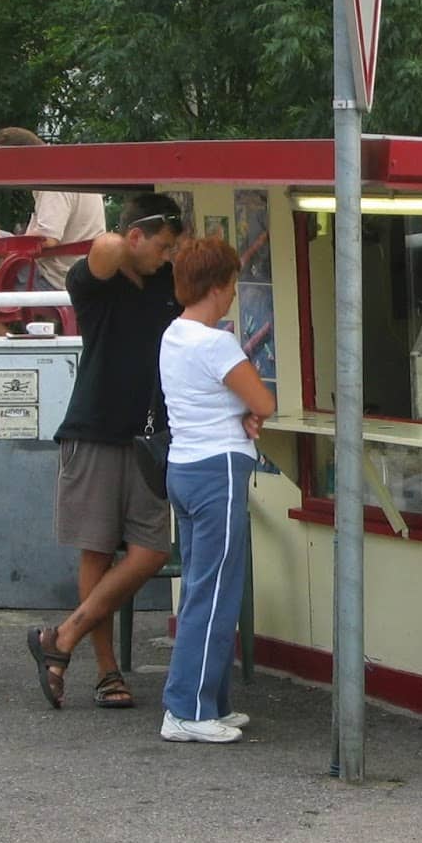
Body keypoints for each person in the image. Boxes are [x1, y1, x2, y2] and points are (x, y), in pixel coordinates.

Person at [26, 195, 183, 710]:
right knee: (96, 550)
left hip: (149, 437)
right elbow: (106, 244)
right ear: (137, 237)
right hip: (94, 430)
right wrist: (138, 238)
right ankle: (106, 671)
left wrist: (168, 249)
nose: (167, 256)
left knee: (151, 551)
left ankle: (62, 638)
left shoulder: (168, 283)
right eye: (161, 245)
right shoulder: (94, 282)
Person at [156, 235, 276, 744]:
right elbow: (263, 402)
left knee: (201, 588)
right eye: (230, 284)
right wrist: (249, 412)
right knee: (215, 591)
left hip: (183, 466)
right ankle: (186, 709)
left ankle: (210, 702)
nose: (232, 294)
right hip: (218, 470)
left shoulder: (173, 335)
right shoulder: (217, 343)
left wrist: (240, 410)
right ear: (215, 287)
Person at [0, 127, 108, 295]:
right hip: (79, 274)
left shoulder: (53, 179)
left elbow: (47, 238)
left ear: (19, 160)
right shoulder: (69, 169)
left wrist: (6, 245)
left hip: (55, 279)